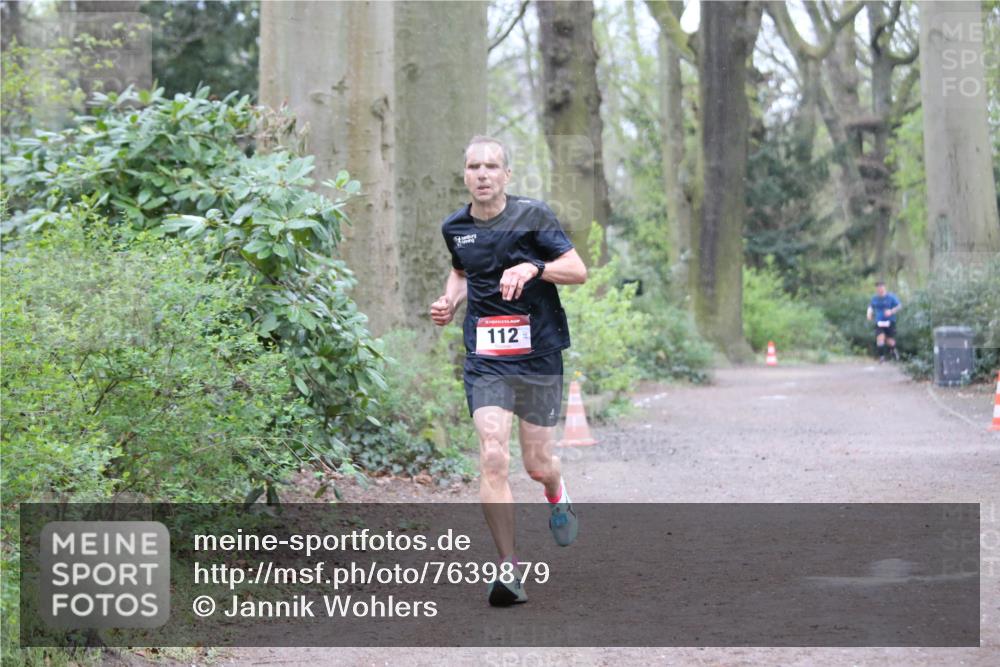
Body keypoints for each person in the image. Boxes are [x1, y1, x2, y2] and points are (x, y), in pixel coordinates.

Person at [430, 135, 587, 607]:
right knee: (493, 454)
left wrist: (534, 269)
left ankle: (556, 492)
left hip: (538, 356)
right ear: (465, 175)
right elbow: (461, 271)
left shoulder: (533, 216)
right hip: (486, 359)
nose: (482, 174)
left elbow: (577, 270)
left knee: (537, 466)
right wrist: (449, 300)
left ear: (506, 175)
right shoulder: (455, 227)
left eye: (491, 166)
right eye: (474, 166)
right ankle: (509, 569)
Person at [866, 281, 902, 362]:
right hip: (879, 322)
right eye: (878, 288)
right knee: (880, 337)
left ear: (884, 288)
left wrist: (891, 311)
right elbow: (870, 307)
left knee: (889, 340)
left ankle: (893, 350)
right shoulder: (875, 298)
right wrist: (869, 313)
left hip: (890, 321)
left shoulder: (891, 297)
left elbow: (899, 306)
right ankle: (882, 357)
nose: (880, 290)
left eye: (881, 287)